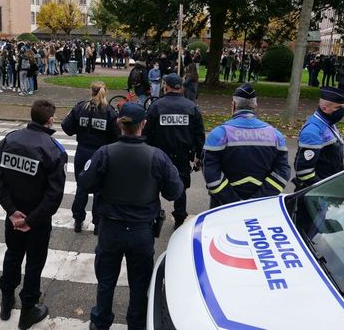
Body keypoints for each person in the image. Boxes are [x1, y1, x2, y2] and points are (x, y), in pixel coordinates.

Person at [78, 103, 184, 330]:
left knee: (106, 280)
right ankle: (135, 323)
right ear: (143, 125)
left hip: (111, 229)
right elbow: (175, 191)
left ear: (119, 123)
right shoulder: (157, 156)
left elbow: (85, 183)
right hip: (141, 231)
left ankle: (100, 321)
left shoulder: (105, 153)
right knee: (139, 282)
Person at [0, 99, 68, 330]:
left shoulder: (10, 140)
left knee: (13, 254)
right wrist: (31, 220)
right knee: (34, 262)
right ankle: (28, 310)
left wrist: (12, 212)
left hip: (14, 215)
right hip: (37, 220)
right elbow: (54, 195)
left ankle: (6, 300)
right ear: (50, 119)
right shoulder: (54, 149)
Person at [203, 84, 290, 208]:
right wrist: (257, 200)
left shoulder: (219, 134)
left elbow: (210, 172)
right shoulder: (275, 135)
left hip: (223, 206)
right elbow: (282, 172)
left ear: (233, 104)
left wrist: (232, 201)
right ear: (255, 105)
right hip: (261, 207)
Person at [144, 73, 206, 228]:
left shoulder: (156, 106)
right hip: (183, 155)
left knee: (154, 186)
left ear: (166, 87)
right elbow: (199, 135)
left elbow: (147, 132)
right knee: (181, 188)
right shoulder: (191, 107)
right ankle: (179, 218)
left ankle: (154, 216)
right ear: (181, 87)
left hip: (158, 154)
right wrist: (199, 156)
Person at [61, 82, 119, 234]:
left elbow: (66, 127)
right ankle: (98, 224)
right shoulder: (109, 111)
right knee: (100, 190)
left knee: (82, 188)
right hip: (101, 155)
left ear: (91, 92)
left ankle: (78, 221)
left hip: (82, 153)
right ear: (105, 92)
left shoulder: (80, 107)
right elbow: (117, 135)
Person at [293, 86, 344, 189]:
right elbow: (304, 171)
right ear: (325, 108)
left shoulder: (328, 122)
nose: (342, 111)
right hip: (318, 192)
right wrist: (322, 189)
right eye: (338, 108)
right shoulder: (312, 131)